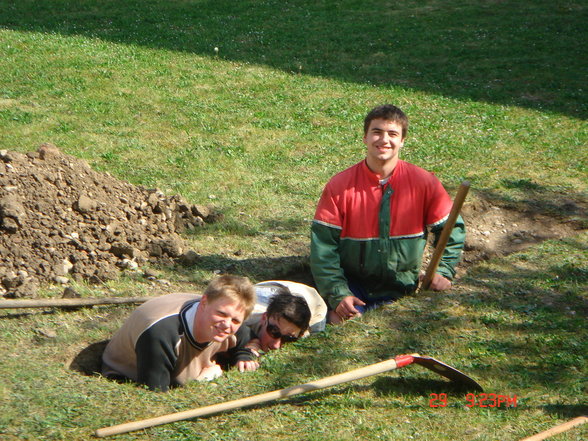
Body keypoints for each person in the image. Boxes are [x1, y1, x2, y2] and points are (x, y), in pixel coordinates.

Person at [310, 104, 466, 324]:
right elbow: (323, 248)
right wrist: (339, 294)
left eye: (392, 134)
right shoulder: (339, 186)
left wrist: (443, 271)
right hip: (355, 286)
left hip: (403, 287)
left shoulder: (424, 183)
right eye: (377, 132)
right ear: (365, 137)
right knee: (337, 321)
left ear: (402, 140)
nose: (384, 140)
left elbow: (452, 230)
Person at [101, 275, 259, 392]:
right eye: (221, 314)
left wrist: (244, 355)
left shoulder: (229, 323)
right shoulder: (161, 334)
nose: (226, 325)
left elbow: (247, 338)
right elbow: (154, 394)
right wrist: (203, 380)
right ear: (204, 303)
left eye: (236, 321)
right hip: (126, 374)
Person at [244, 281, 324, 355]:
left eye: (288, 339)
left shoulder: (302, 332)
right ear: (264, 318)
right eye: (274, 331)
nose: (276, 346)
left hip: (313, 300)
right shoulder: (244, 318)